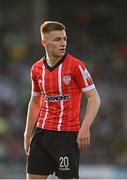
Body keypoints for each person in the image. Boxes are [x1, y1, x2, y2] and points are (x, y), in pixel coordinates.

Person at [24, 21, 100, 179]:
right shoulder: (36, 69)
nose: (63, 43)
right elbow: (35, 102)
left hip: (66, 136)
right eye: (57, 39)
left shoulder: (76, 66)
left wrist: (85, 127)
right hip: (41, 133)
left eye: (64, 39)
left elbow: (94, 98)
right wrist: (27, 134)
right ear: (45, 42)